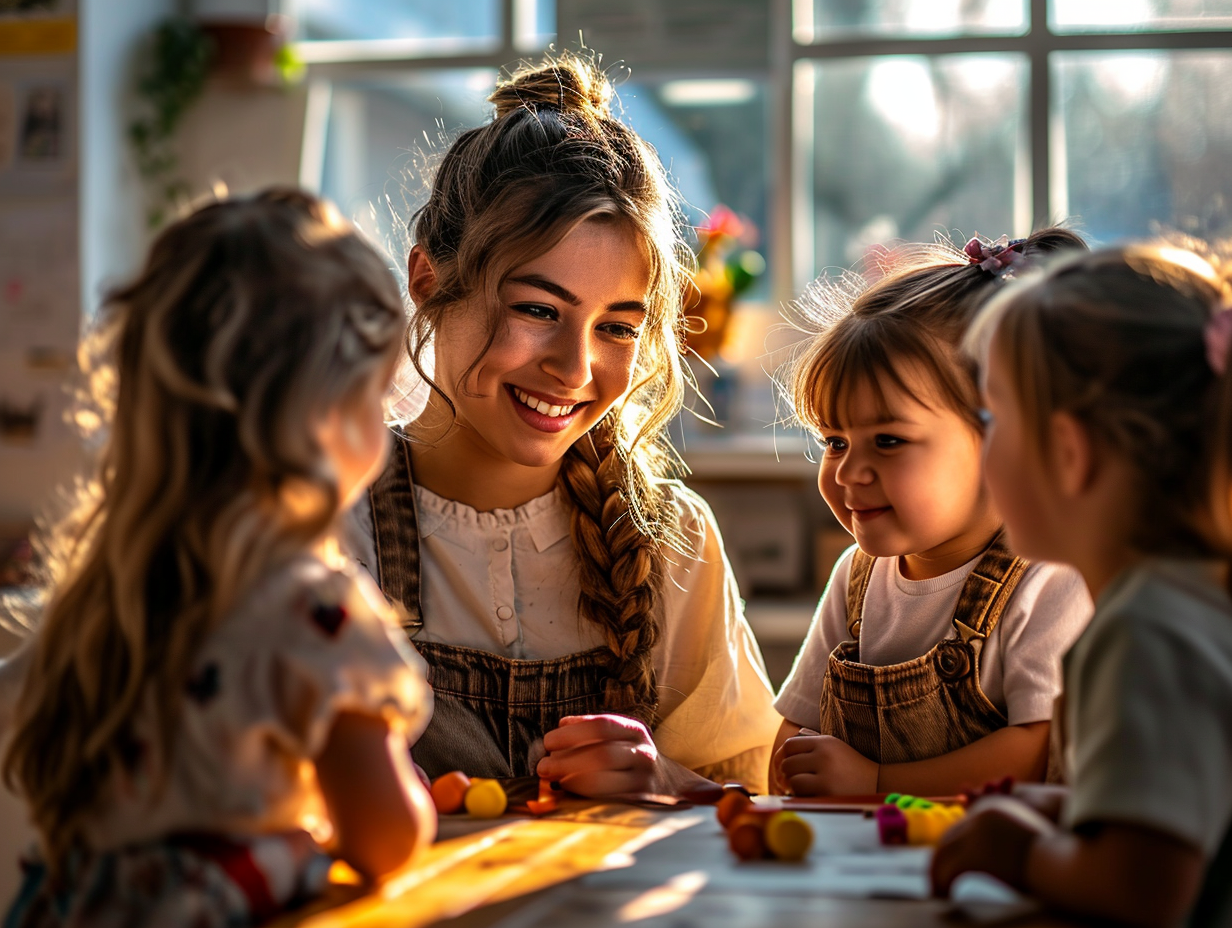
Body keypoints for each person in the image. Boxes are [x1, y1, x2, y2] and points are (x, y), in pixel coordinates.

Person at [0, 189, 436, 926]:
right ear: (322, 417)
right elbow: (386, 839)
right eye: (376, 396)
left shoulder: (104, 594)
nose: (389, 422)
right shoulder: (315, 612)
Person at [349, 51, 780, 795]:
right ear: (427, 282)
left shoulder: (673, 546)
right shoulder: (331, 522)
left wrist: (667, 781)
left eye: (616, 327)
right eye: (538, 310)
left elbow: (749, 804)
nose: (575, 368)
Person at [931, 242, 1232, 928]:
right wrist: (1075, 812)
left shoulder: (1144, 633)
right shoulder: (1196, 604)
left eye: (993, 420)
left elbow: (1143, 892)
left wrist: (1019, 852)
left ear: (1069, 455)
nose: (985, 446)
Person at [770, 230, 1092, 797]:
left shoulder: (1049, 579)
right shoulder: (855, 579)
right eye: (835, 441)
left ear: (1007, 438)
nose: (847, 474)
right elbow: (798, 732)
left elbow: (1034, 756)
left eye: (888, 442)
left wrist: (876, 782)